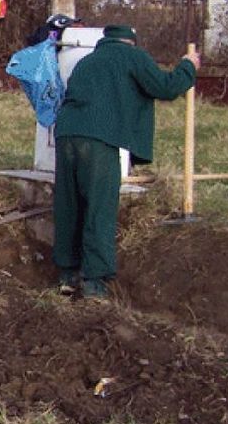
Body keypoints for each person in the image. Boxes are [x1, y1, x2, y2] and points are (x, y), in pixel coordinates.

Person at [53, 25, 200, 299]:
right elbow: (165, 87)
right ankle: (95, 282)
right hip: (98, 139)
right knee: (100, 206)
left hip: (65, 135)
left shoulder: (87, 61)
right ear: (130, 42)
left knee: (68, 204)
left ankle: (67, 275)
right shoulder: (132, 56)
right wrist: (187, 66)